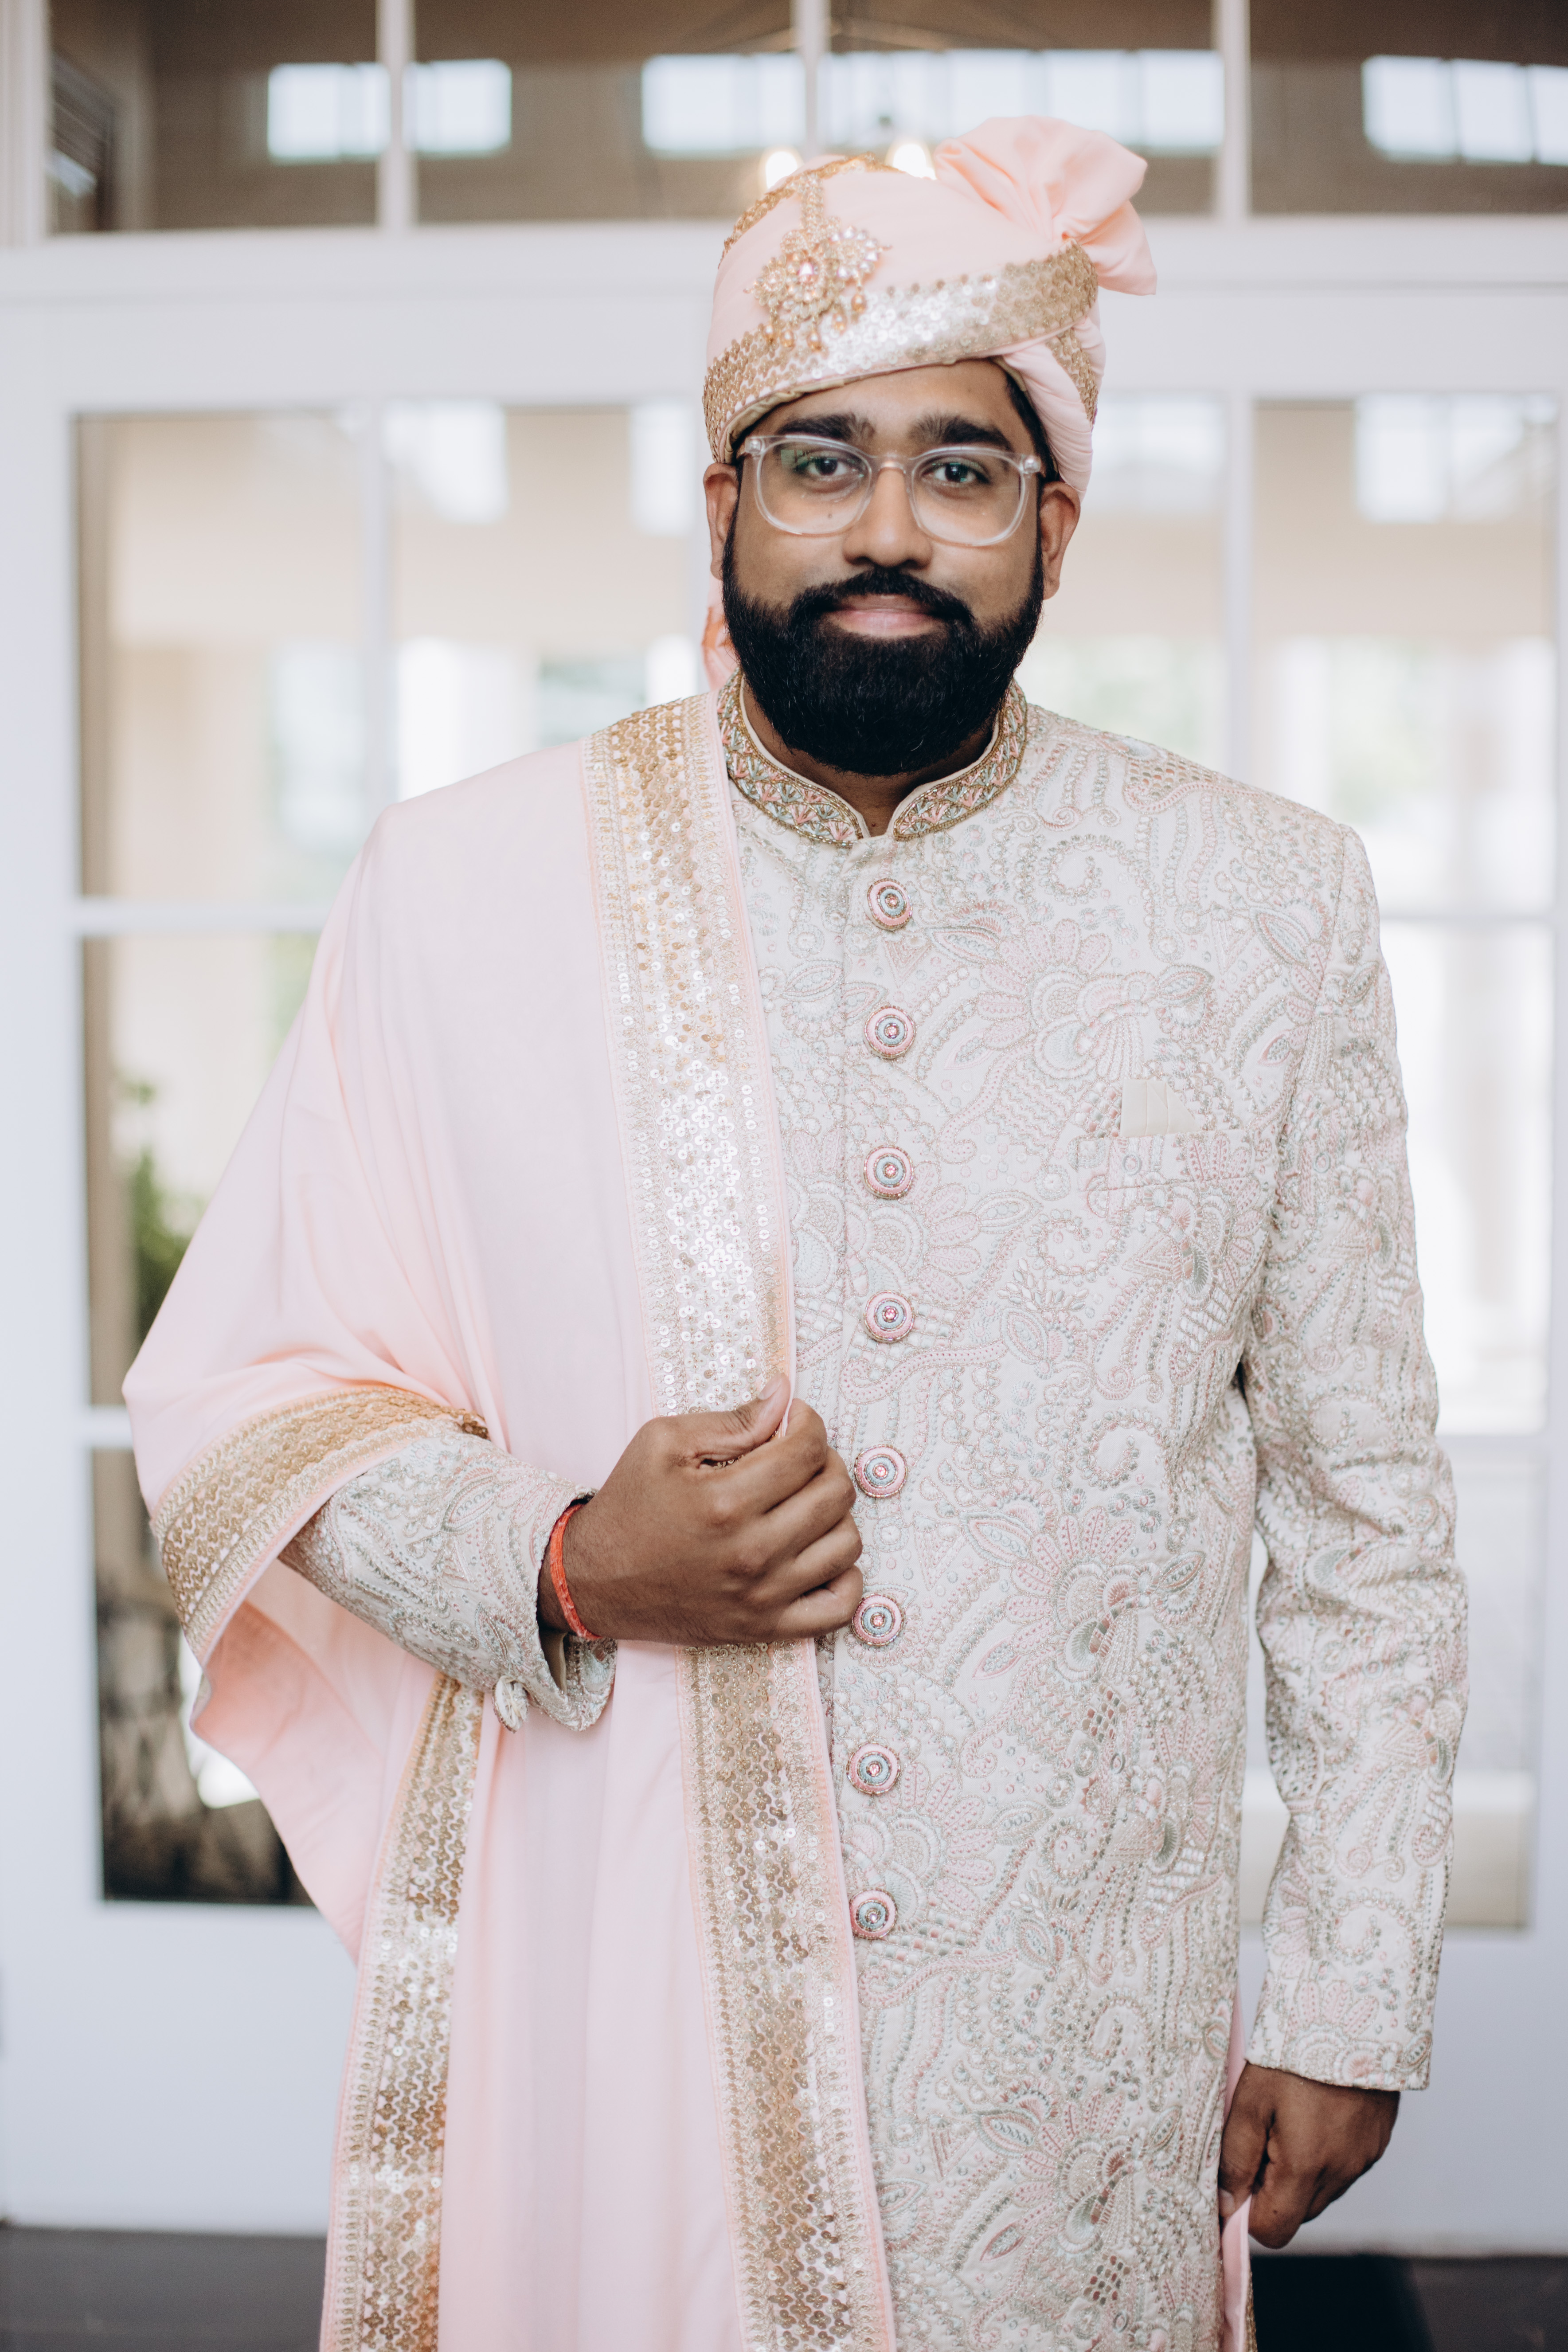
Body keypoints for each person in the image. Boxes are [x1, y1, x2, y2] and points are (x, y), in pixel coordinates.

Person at [127, 119, 1465, 2352]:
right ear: (723, 502)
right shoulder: (464, 891)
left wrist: (1351, 1982)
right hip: (635, 2009)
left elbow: (1367, 1500)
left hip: (1078, 2056)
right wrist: (568, 1559)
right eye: (819, 458)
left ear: (1056, 523)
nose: (887, 527)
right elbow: (239, 1401)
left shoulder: (1262, 902)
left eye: (964, 468)